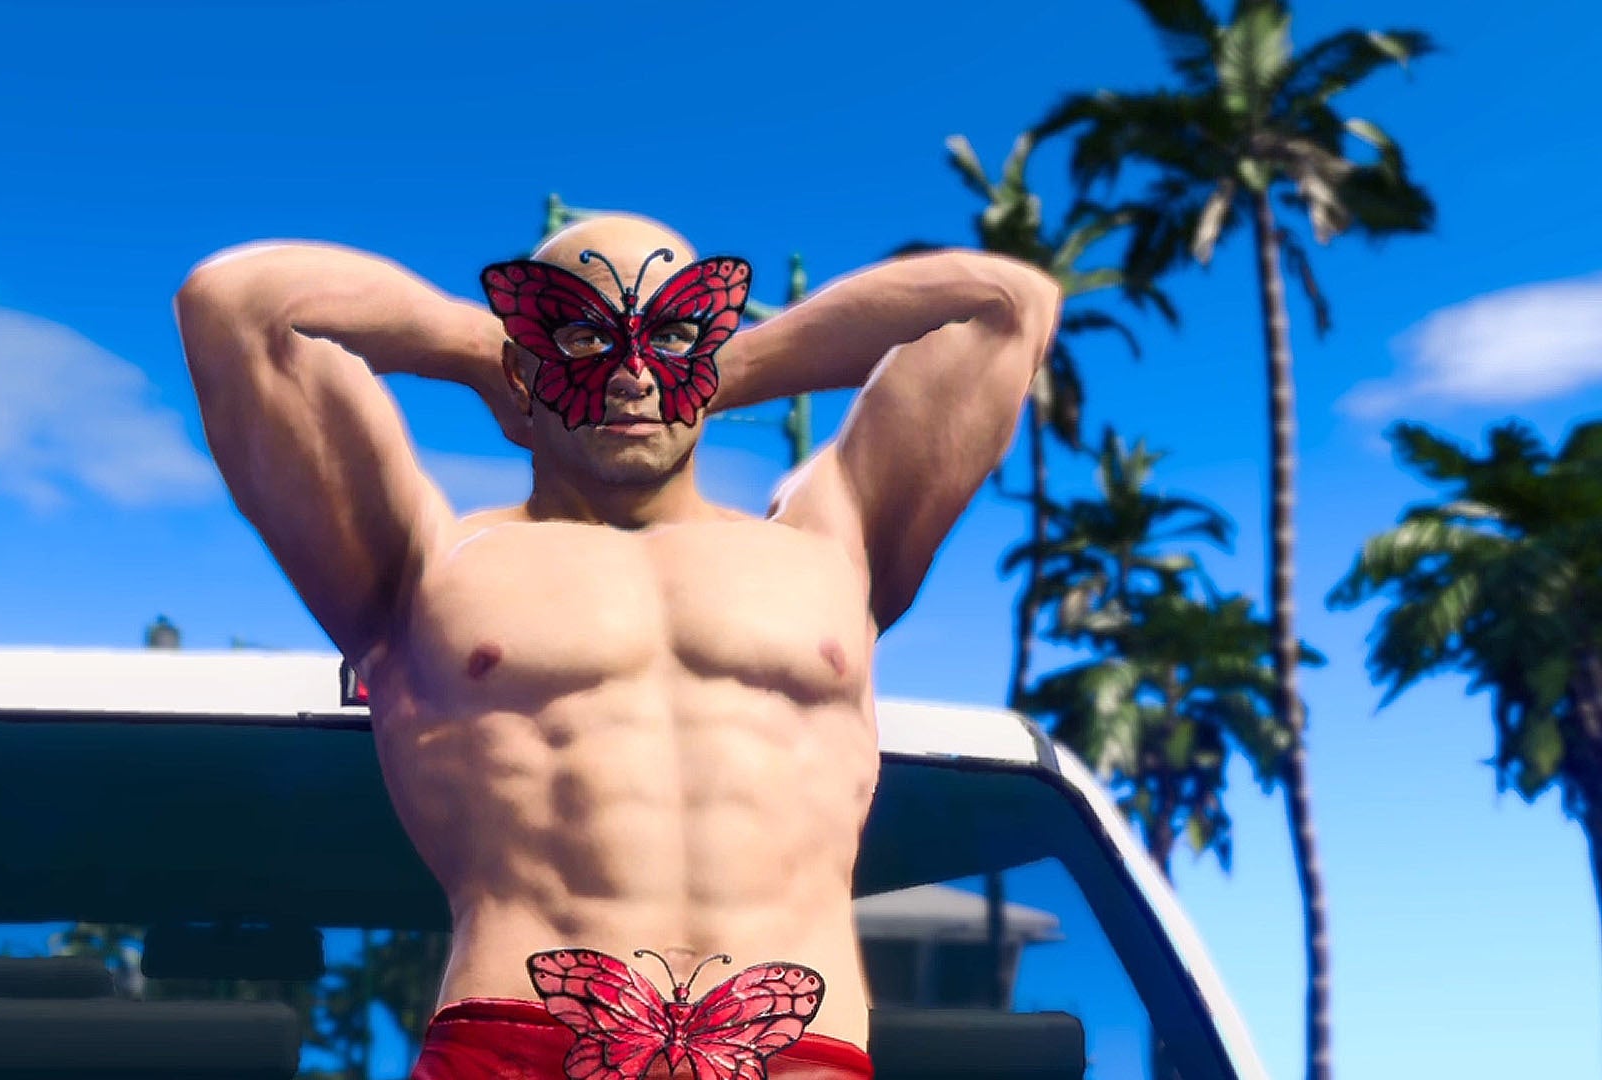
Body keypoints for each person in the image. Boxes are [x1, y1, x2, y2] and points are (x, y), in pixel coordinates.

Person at [175, 214, 1060, 1079]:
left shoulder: (836, 544)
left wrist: (729, 368)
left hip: (801, 1054)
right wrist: (481, 351)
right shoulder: (422, 566)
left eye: (674, 334)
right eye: (581, 337)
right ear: (524, 360)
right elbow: (235, 303)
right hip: (519, 1046)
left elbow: (1004, 304)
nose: (632, 374)